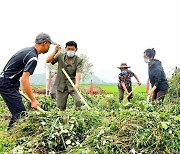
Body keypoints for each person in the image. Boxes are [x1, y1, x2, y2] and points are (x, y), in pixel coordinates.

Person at [0, 32, 57, 130]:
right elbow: (24, 79)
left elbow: (13, 69)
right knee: (21, 114)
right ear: (44, 43)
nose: (49, 47)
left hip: (8, 82)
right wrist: (34, 100)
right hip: (7, 84)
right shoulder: (33, 57)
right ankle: (11, 136)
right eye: (49, 45)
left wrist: (15, 86)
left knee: (18, 112)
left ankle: (9, 133)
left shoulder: (27, 51)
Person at [46, 41, 83, 111]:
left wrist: (77, 84)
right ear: (65, 48)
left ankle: (79, 116)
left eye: (72, 49)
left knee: (78, 101)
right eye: (68, 49)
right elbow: (48, 60)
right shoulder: (60, 56)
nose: (70, 51)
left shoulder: (79, 60)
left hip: (73, 85)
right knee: (60, 107)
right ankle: (62, 118)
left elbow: (78, 73)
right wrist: (55, 51)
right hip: (61, 85)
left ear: (76, 50)